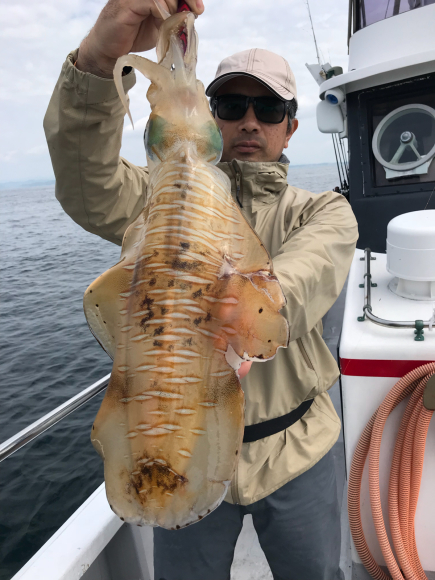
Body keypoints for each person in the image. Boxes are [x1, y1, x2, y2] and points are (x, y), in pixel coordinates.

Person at [43, 1, 358, 579]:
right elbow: (88, 183)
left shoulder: (325, 212)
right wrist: (97, 58)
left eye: (268, 108)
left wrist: (239, 304)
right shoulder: (155, 200)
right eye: (233, 106)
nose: (249, 121)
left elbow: (299, 280)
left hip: (298, 450)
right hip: (179, 444)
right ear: (212, 117)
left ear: (291, 125)